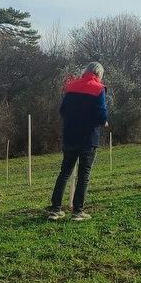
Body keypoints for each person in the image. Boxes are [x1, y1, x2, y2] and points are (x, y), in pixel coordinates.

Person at [48, 61, 108, 221]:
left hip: (70, 136)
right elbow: (102, 114)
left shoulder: (72, 86)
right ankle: (78, 211)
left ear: (85, 72)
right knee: (84, 174)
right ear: (99, 75)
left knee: (65, 172)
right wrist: (103, 121)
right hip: (88, 139)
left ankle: (55, 209)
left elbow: (62, 110)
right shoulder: (99, 89)